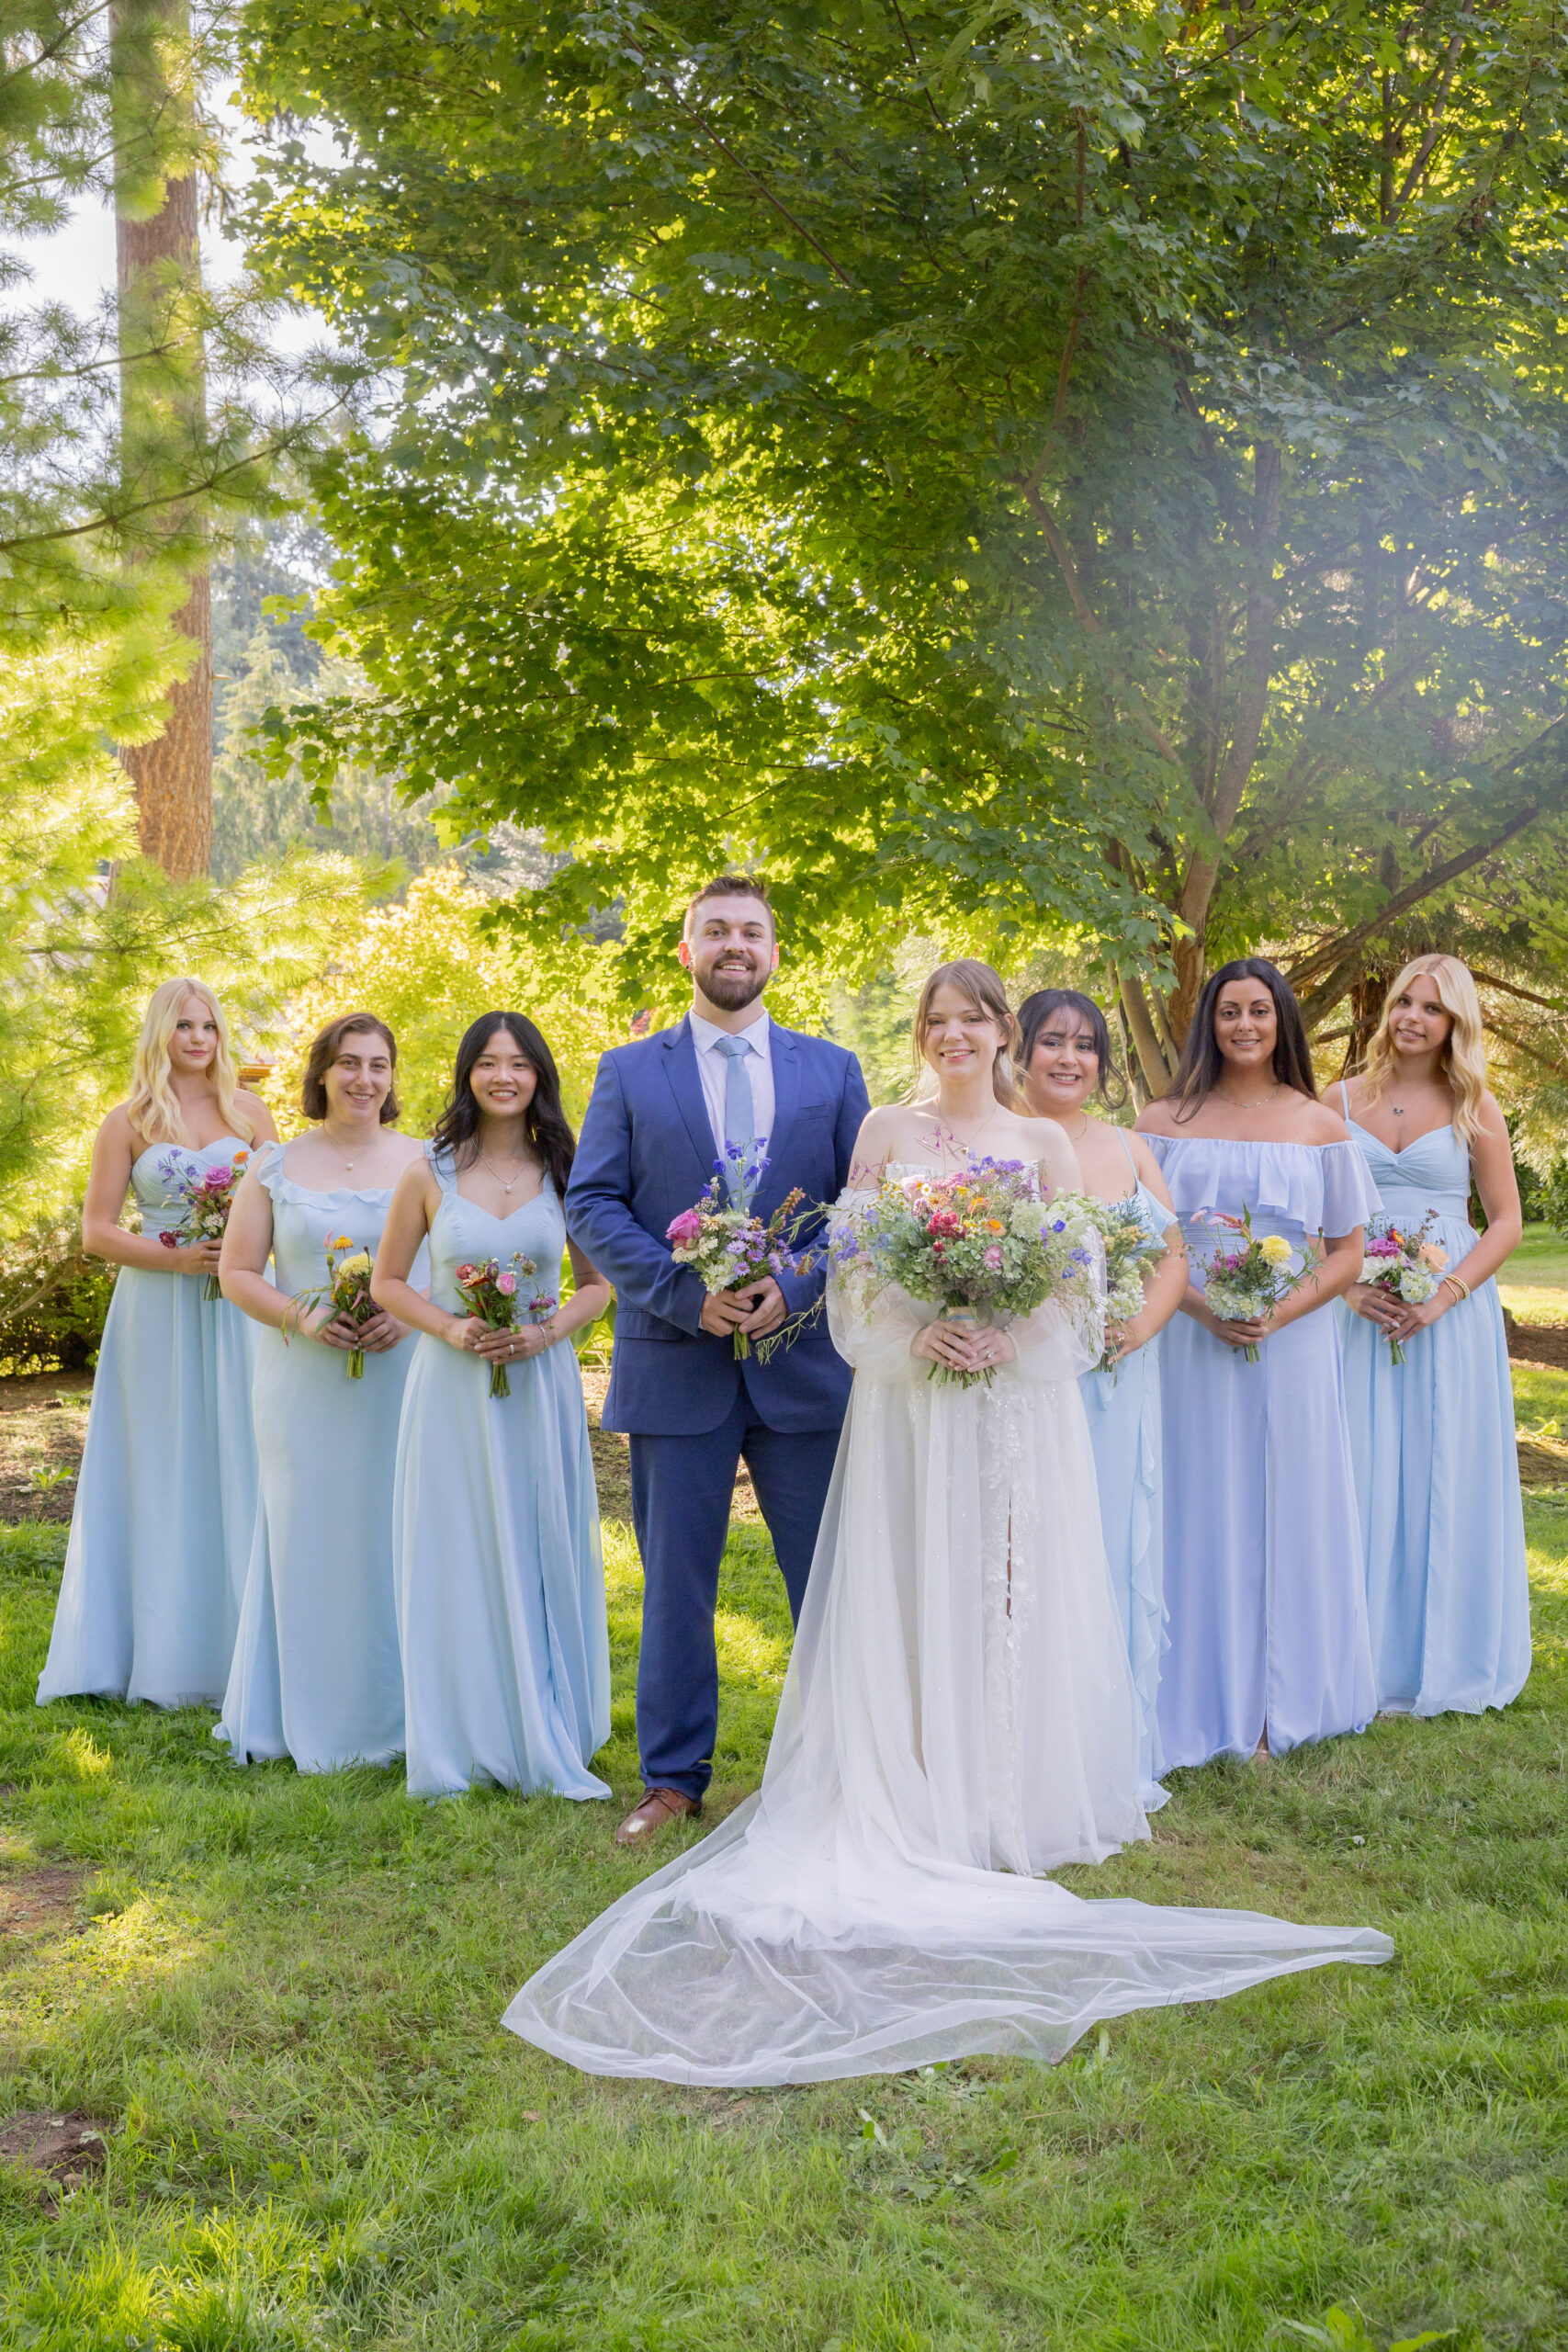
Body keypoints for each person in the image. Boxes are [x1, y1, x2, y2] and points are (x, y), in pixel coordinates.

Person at [503, 961, 1392, 2086]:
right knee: (909, 1578)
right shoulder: (884, 1128)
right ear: (922, 1032)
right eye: (938, 1020)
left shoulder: (1043, 1143)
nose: (955, 1034)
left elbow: (1078, 1288)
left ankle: (997, 1790)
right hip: (908, 1401)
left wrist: (1006, 1337)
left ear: (1002, 1031)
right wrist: (913, 1333)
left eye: (974, 1019)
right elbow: (851, 1270)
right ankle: (904, 1774)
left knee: (1001, 1584)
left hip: (1011, 1405)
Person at [562, 876, 869, 1848]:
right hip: (674, 1362)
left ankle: (844, 1769)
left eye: (752, 931)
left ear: (774, 952)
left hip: (804, 1367)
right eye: (717, 930)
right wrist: (682, 1294)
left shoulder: (832, 1070)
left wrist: (800, 1284)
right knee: (675, 1586)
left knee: (828, 1579)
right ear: (687, 949)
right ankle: (671, 1779)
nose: (735, 944)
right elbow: (592, 1203)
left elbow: (860, 1210)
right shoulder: (627, 1071)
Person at [1137, 959, 1380, 1768]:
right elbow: (1142, 1244)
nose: (1244, 1025)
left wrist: (1277, 1312)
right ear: (1207, 1023)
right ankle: (1186, 1696)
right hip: (1188, 1335)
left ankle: (1283, 1701)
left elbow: (1347, 1252)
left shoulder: (1318, 1124)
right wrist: (1202, 1308)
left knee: (1289, 1501)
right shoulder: (1161, 1121)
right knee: (1194, 1496)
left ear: (1282, 1022)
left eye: (1259, 1011)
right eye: (1229, 1011)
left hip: (1294, 1337)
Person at [373, 1012, 613, 1801]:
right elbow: (387, 1283)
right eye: (487, 1062)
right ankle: (465, 1728)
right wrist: (449, 1327)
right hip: (451, 1388)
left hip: (539, 1385)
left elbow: (597, 1285)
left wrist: (545, 1333)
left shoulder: (567, 1169)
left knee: (537, 1539)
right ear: (467, 1074)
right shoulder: (428, 1172)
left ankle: (548, 1720)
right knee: (458, 1544)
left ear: (539, 1075)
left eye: (518, 1063)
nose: (503, 1076)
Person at [37, 978, 276, 1709]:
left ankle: (249, 1646)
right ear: (159, 1034)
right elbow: (97, 1230)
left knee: (245, 1447)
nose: (198, 1039)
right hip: (156, 1310)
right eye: (183, 1026)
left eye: (209, 1025)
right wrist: (178, 1258)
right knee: (161, 1459)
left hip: (239, 1307)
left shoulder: (250, 1112)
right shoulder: (128, 1120)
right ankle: (160, 1647)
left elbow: (289, 1209)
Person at [215, 1014, 425, 1773]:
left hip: (402, 1375)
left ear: (392, 1077)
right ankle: (305, 1710)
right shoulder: (273, 1165)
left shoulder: (427, 1160)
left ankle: (408, 1708)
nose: (364, 1079)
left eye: (378, 1065)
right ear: (322, 1074)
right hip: (302, 1381)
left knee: (400, 1527)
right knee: (309, 1530)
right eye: (348, 1064)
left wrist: (412, 1314)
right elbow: (237, 1273)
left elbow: (450, 1262)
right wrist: (302, 1317)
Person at [1338, 956, 1530, 1715]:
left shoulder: (1473, 1105)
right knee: (1356, 1458)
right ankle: (1351, 1650)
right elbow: (1313, 1215)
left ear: (1455, 1023)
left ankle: (1439, 1649)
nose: (1411, 1018)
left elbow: (1505, 1221)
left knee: (1436, 1460)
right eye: (1403, 1002)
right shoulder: (1336, 1100)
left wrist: (1444, 1296)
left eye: (1431, 1008)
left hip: (1445, 1309)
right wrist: (1346, 1287)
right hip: (1355, 1307)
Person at [1017, 988, 1187, 1810]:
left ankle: (1105, 1746)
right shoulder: (995, 1142)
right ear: (1019, 1050)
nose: (1069, 1058)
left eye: (1085, 1045)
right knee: (1029, 1545)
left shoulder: (1127, 1145)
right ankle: (1023, 1745)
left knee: (1108, 1542)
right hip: (1025, 1380)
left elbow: (1172, 1256)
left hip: (1116, 1379)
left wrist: (1137, 1328)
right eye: (1052, 1041)